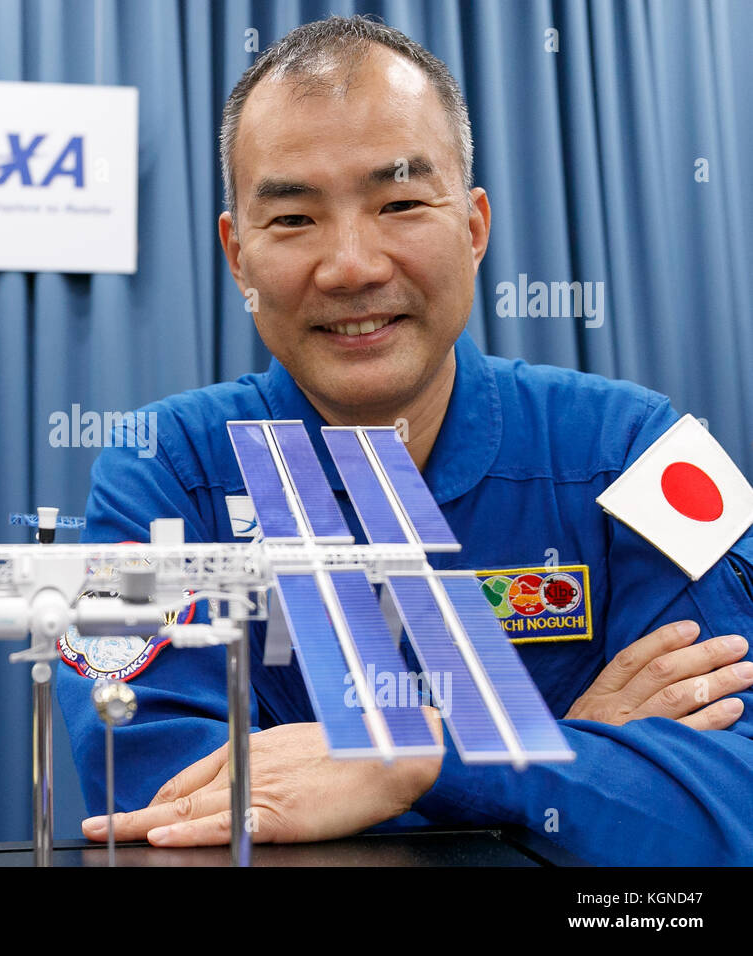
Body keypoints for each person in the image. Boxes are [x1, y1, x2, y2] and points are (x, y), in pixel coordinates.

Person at [55, 15, 753, 866]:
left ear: (473, 225)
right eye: (294, 219)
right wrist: (557, 755)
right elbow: (166, 812)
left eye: (400, 204)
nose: (351, 265)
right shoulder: (161, 472)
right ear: (238, 255)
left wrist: (413, 759)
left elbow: (731, 804)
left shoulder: (641, 451)